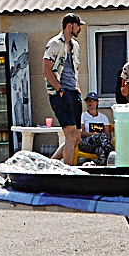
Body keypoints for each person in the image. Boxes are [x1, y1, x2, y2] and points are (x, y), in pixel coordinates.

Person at [42, 13, 85, 163]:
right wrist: (59, 89)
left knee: (76, 137)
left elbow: (74, 70)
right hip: (61, 93)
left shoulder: (75, 45)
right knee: (70, 135)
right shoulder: (54, 44)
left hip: (73, 92)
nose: (79, 29)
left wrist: (77, 89)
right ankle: (68, 172)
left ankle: (51, 164)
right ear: (69, 26)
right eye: (78, 26)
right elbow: (47, 70)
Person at [77, 93, 114, 163]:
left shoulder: (103, 117)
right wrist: (95, 135)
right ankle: (112, 153)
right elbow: (81, 133)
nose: (90, 103)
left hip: (100, 144)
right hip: (86, 143)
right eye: (88, 101)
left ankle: (102, 170)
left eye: (92, 101)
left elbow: (108, 135)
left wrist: (99, 136)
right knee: (101, 136)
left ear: (97, 102)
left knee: (101, 151)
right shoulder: (83, 116)